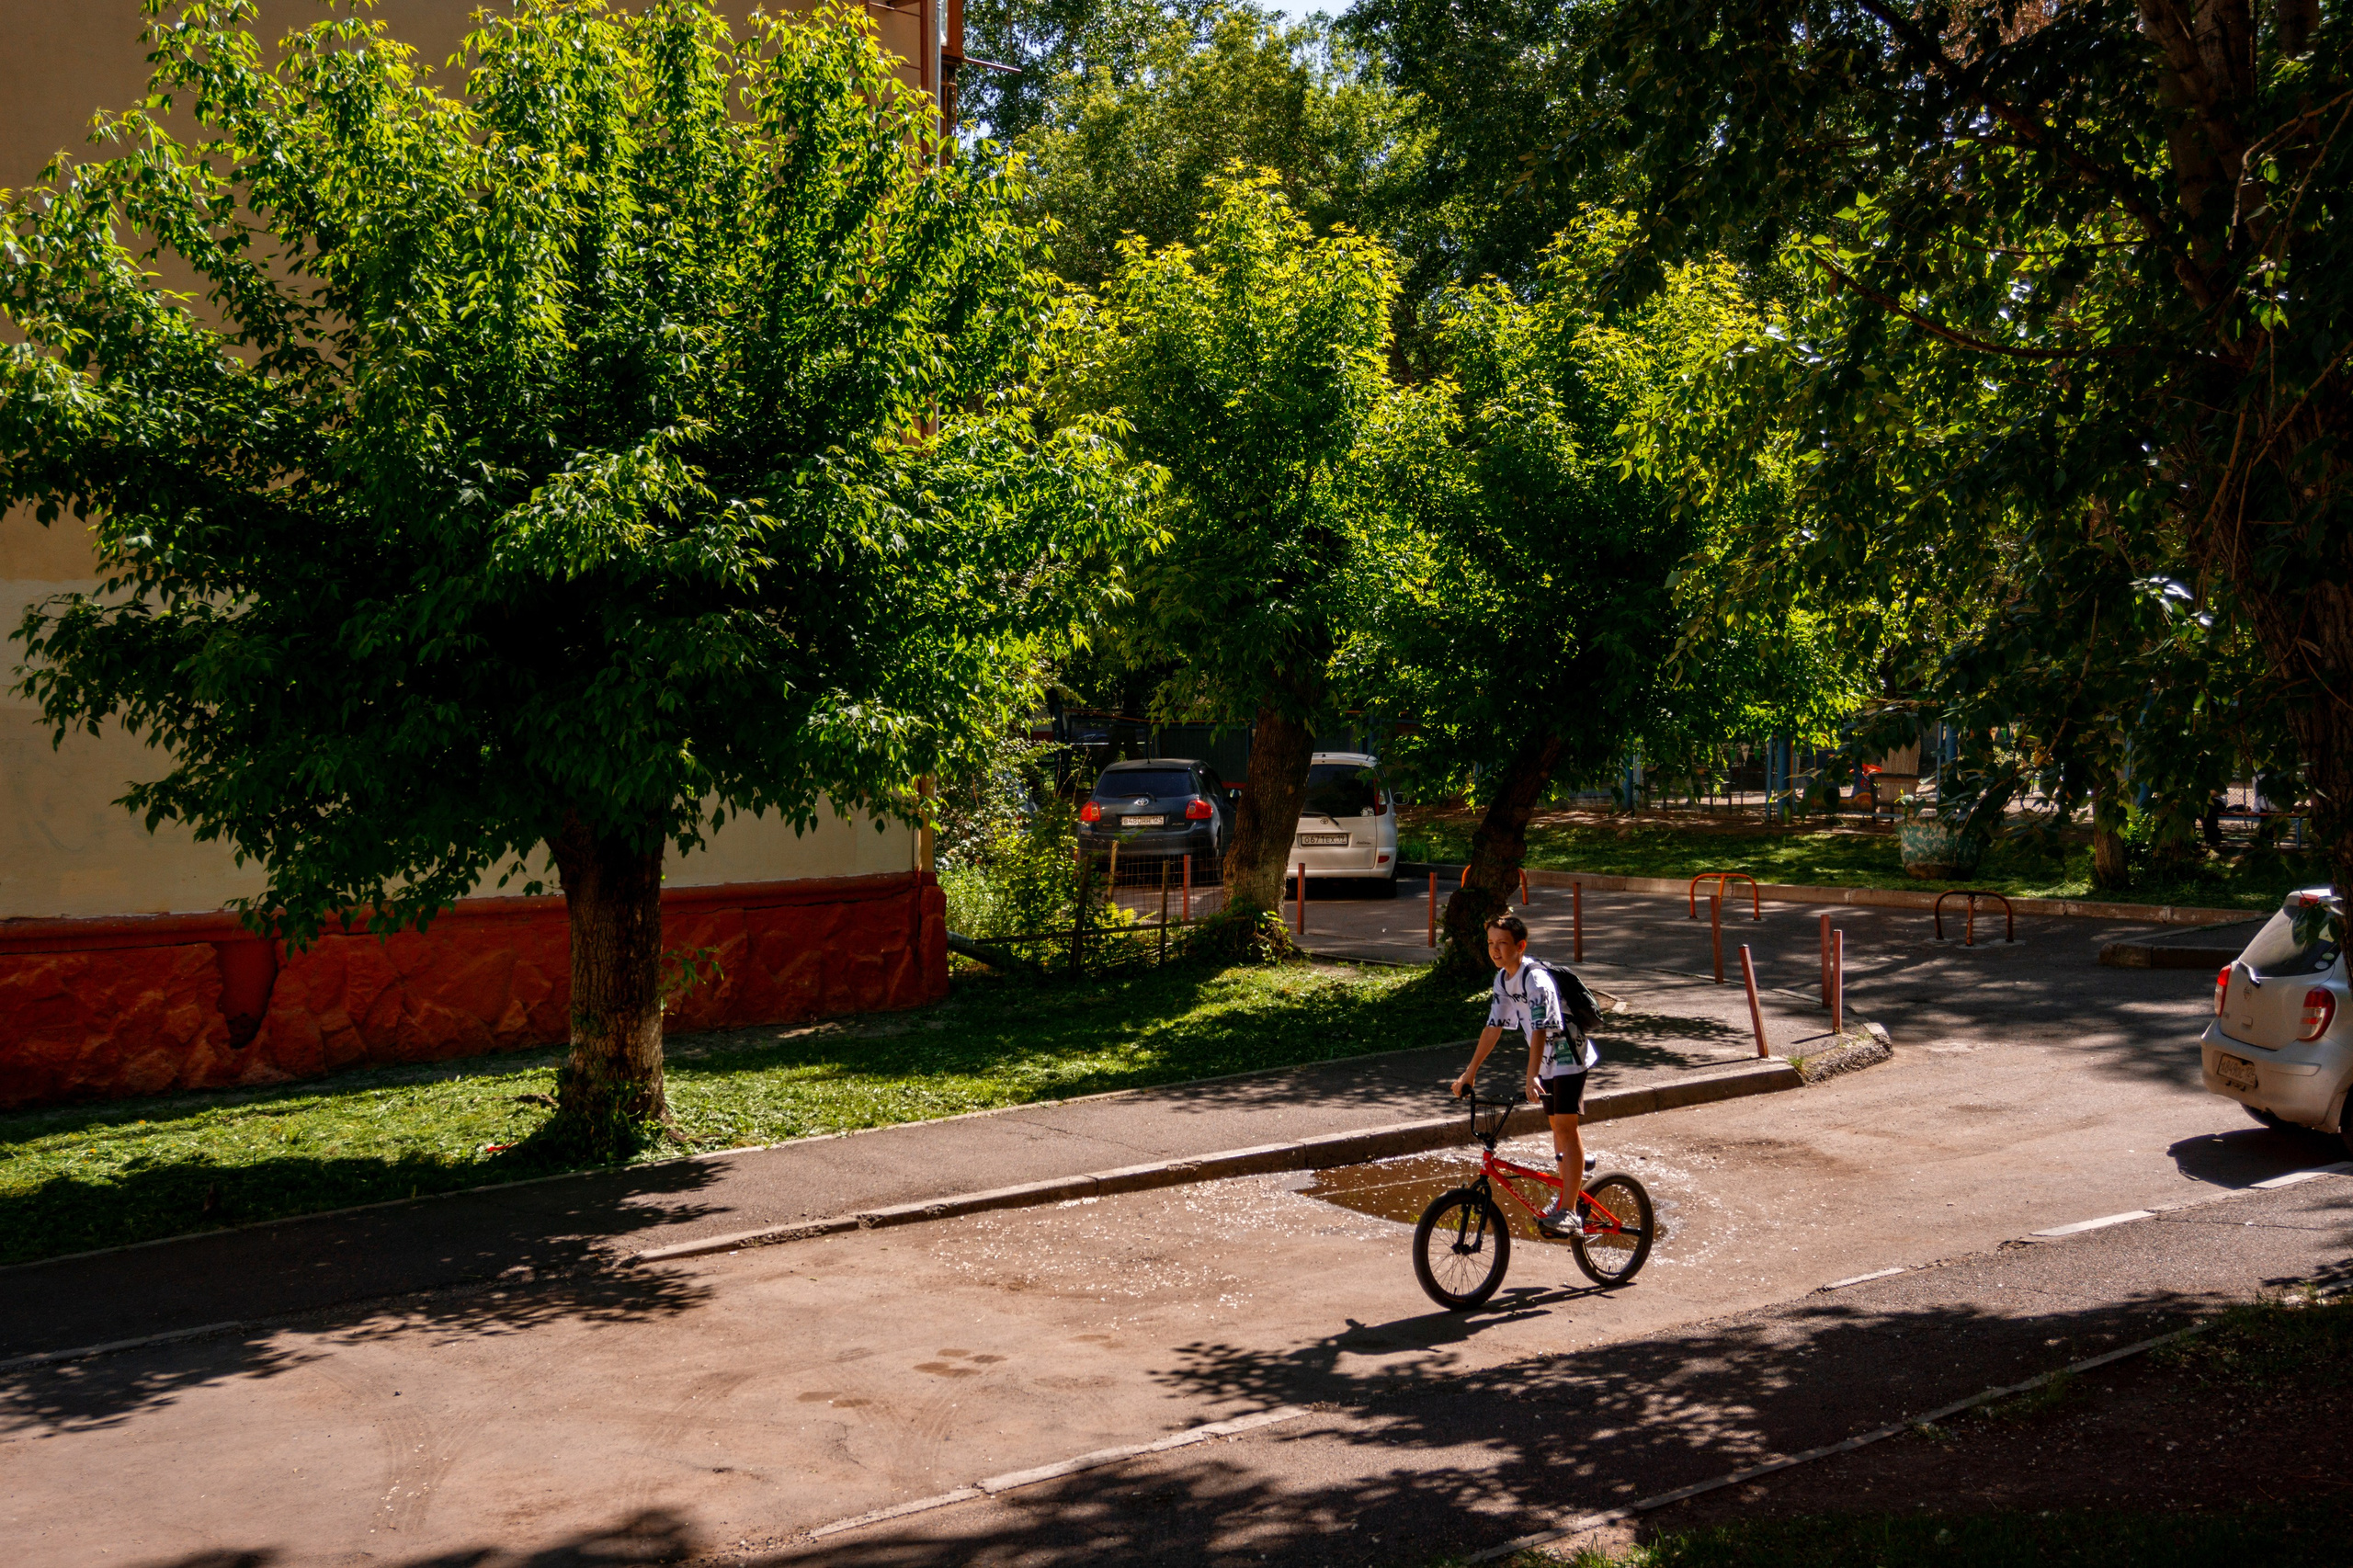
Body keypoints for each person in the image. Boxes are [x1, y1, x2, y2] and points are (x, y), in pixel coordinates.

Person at [1450, 912, 1599, 1234]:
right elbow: (1493, 1027)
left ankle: (1570, 1211)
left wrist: (1531, 1075)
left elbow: (1543, 1028)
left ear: (1520, 946)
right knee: (1557, 1130)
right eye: (1490, 943)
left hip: (1568, 1053)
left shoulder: (1536, 979)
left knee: (1564, 1126)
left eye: (1502, 944)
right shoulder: (1503, 979)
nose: (1495, 950)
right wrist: (1469, 1073)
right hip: (1545, 1059)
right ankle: (1571, 1179)